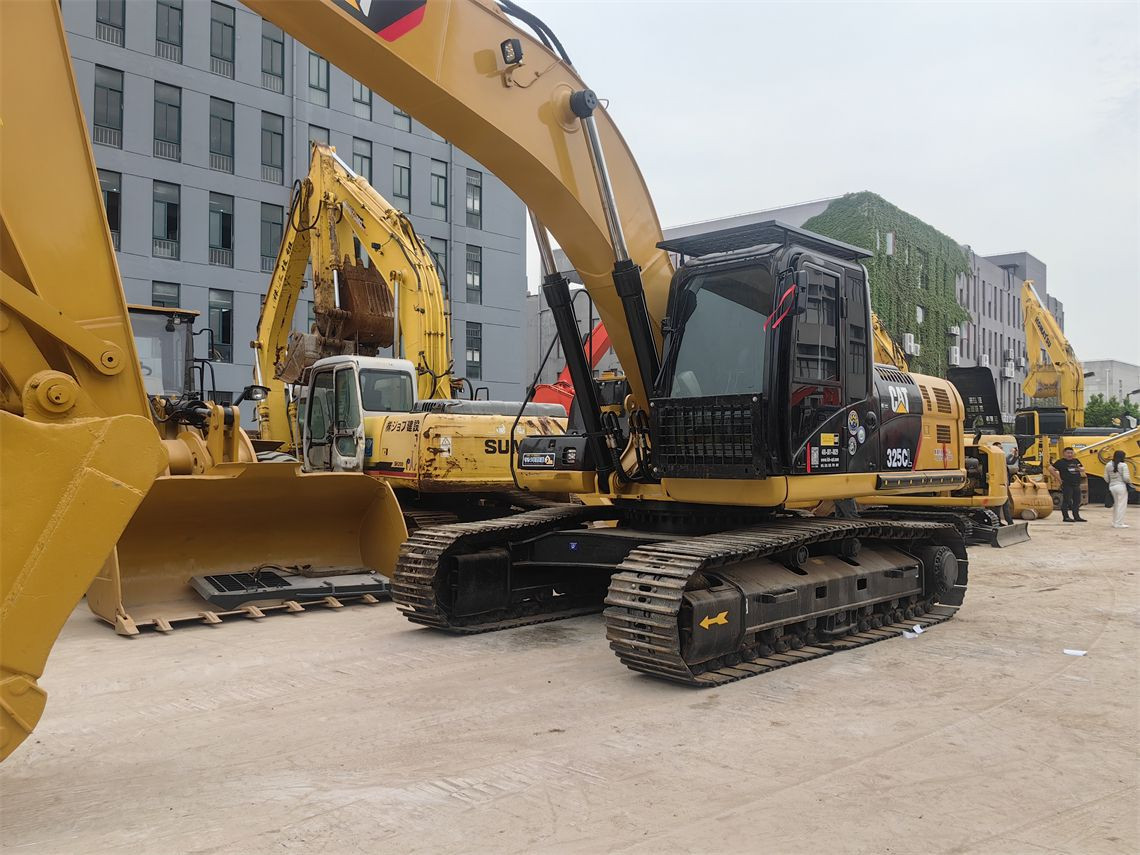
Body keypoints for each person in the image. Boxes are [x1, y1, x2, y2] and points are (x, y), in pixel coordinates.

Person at [1049, 447, 1086, 522]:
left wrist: (1080, 469)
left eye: (1071, 453)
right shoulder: (1061, 462)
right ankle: (1065, 517)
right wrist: (1059, 479)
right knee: (1067, 500)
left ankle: (1076, 516)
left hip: (1076, 484)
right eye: (1068, 453)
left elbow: (1082, 468)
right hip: (1067, 484)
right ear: (1064, 454)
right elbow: (1050, 468)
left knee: (1077, 501)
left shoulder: (1076, 460)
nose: (1070, 454)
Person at [1104, 449, 1132, 529]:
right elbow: (1126, 478)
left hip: (1112, 486)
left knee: (1116, 505)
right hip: (1121, 486)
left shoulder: (1108, 465)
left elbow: (1106, 478)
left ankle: (1114, 522)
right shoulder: (1123, 465)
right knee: (1121, 505)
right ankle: (1119, 523)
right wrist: (1129, 482)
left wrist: (1111, 481)